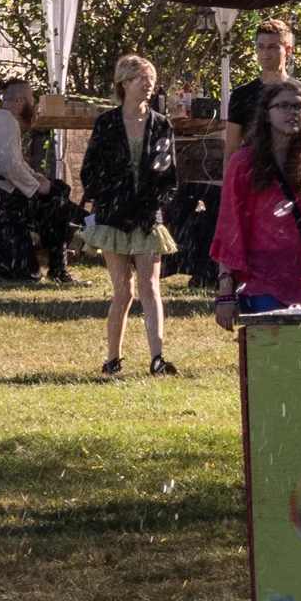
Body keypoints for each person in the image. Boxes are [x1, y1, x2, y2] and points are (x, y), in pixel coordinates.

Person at [212, 78, 301, 323]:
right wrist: (226, 293)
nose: (292, 113)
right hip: (260, 281)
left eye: (299, 107)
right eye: (283, 106)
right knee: (270, 355)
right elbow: (229, 228)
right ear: (266, 114)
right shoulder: (243, 163)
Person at [81, 55, 179, 377]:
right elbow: (90, 172)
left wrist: (154, 204)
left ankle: (157, 358)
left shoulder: (162, 124)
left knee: (150, 287)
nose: (149, 85)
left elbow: (168, 176)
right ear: (125, 83)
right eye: (142, 79)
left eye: (151, 78)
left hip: (149, 217)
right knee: (124, 292)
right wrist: (112, 199)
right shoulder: (106, 123)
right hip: (114, 216)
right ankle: (112, 359)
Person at [0, 77, 81, 284]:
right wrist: (35, 187)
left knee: (59, 191)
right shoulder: (5, 121)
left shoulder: (5, 120)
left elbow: (17, 162)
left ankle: (60, 261)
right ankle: (59, 269)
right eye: (32, 99)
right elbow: (8, 165)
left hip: (3, 188)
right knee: (57, 206)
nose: (34, 104)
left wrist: (38, 177)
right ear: (21, 101)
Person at [223, 19, 301, 165]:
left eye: (272, 47)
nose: (265, 53)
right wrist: (228, 186)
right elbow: (231, 150)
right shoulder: (242, 94)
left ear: (288, 50)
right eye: (260, 47)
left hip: (295, 171)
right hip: (255, 174)